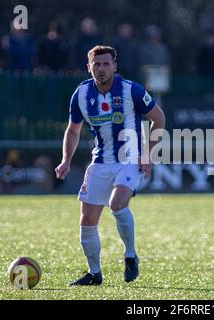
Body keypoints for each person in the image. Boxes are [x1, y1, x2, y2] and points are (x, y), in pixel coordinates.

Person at [55, 45, 165, 285]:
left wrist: (147, 154)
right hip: (100, 161)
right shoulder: (81, 94)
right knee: (86, 221)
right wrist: (66, 160)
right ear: (89, 67)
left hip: (129, 159)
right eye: (97, 64)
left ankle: (130, 254)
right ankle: (94, 273)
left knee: (117, 204)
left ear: (115, 66)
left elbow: (159, 118)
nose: (101, 69)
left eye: (106, 64)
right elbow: (73, 131)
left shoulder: (131, 90)